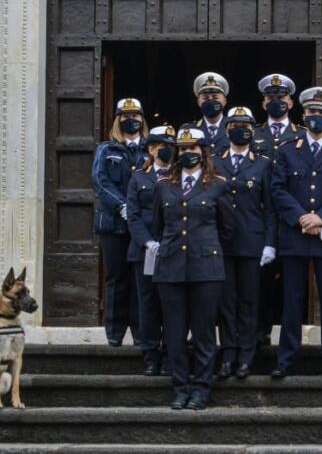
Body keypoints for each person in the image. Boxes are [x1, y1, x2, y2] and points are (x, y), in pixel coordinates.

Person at [268, 87, 322, 379]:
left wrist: (321, 218)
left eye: (321, 113)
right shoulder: (288, 148)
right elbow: (277, 189)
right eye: (311, 112)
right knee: (291, 301)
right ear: (303, 115)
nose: (315, 117)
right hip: (295, 234)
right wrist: (301, 218)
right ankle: (286, 359)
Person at [150, 127, 235, 410]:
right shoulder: (163, 185)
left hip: (206, 269)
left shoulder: (218, 185)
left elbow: (227, 228)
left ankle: (200, 388)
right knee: (174, 334)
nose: (188, 153)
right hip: (171, 269)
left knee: (203, 333)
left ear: (203, 151)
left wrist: (206, 249)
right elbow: (157, 226)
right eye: (183, 149)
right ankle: (180, 387)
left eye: (193, 148)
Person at [215, 107, 275, 380]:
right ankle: (228, 354)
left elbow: (270, 208)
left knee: (250, 302)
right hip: (222, 244)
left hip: (252, 244)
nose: (241, 129)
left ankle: (246, 357)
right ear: (227, 130)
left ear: (254, 130)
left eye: (247, 125)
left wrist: (270, 243)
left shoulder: (263, 163)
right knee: (226, 303)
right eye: (236, 125)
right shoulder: (215, 162)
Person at [91, 98, 149, 347]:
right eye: (126, 115)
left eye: (136, 115)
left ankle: (139, 332)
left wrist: (136, 212)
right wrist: (122, 206)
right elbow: (100, 181)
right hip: (114, 224)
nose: (131, 119)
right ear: (118, 119)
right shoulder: (106, 149)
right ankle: (114, 333)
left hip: (142, 226)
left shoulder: (149, 150)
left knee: (140, 280)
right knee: (116, 278)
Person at [125, 125, 176, 376]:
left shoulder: (178, 176)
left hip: (173, 249)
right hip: (145, 250)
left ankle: (169, 353)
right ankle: (151, 354)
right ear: (150, 149)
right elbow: (132, 215)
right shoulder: (138, 177)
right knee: (148, 304)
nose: (165, 150)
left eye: (169, 146)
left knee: (171, 303)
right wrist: (148, 242)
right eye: (160, 146)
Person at [252, 73, 298, 345]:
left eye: (281, 98)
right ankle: (261, 331)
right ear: (263, 103)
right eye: (271, 98)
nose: (276, 102)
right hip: (260, 218)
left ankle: (289, 333)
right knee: (261, 280)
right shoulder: (253, 135)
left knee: (293, 280)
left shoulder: (301, 134)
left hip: (293, 218)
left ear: (291, 103)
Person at [194, 72, 230, 156]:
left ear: (224, 101)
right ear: (198, 102)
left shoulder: (234, 127)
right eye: (205, 98)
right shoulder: (189, 130)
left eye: (215, 97)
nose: (210, 101)